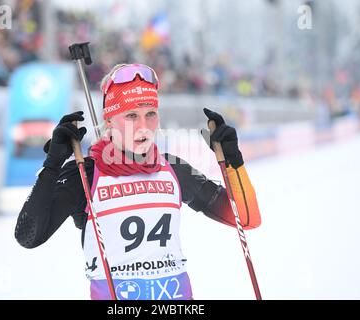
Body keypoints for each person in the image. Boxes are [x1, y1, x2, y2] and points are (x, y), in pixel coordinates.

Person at [14, 63, 261, 300]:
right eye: (131, 115)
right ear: (109, 120)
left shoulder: (173, 168)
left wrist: (233, 162)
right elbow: (29, 236)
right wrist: (53, 163)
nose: (143, 126)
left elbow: (246, 218)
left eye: (151, 114)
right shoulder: (85, 174)